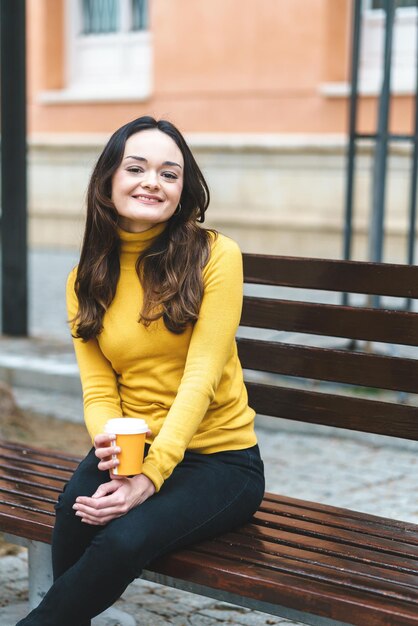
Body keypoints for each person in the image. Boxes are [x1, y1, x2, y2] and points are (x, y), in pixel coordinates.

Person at [17, 116, 265, 625]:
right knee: (72, 514)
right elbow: (98, 387)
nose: (153, 181)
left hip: (220, 460)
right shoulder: (85, 278)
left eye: (169, 174)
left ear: (183, 190)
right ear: (109, 180)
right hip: (135, 446)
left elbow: (201, 376)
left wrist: (149, 478)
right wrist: (111, 452)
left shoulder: (216, 256)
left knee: (122, 537)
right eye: (137, 168)